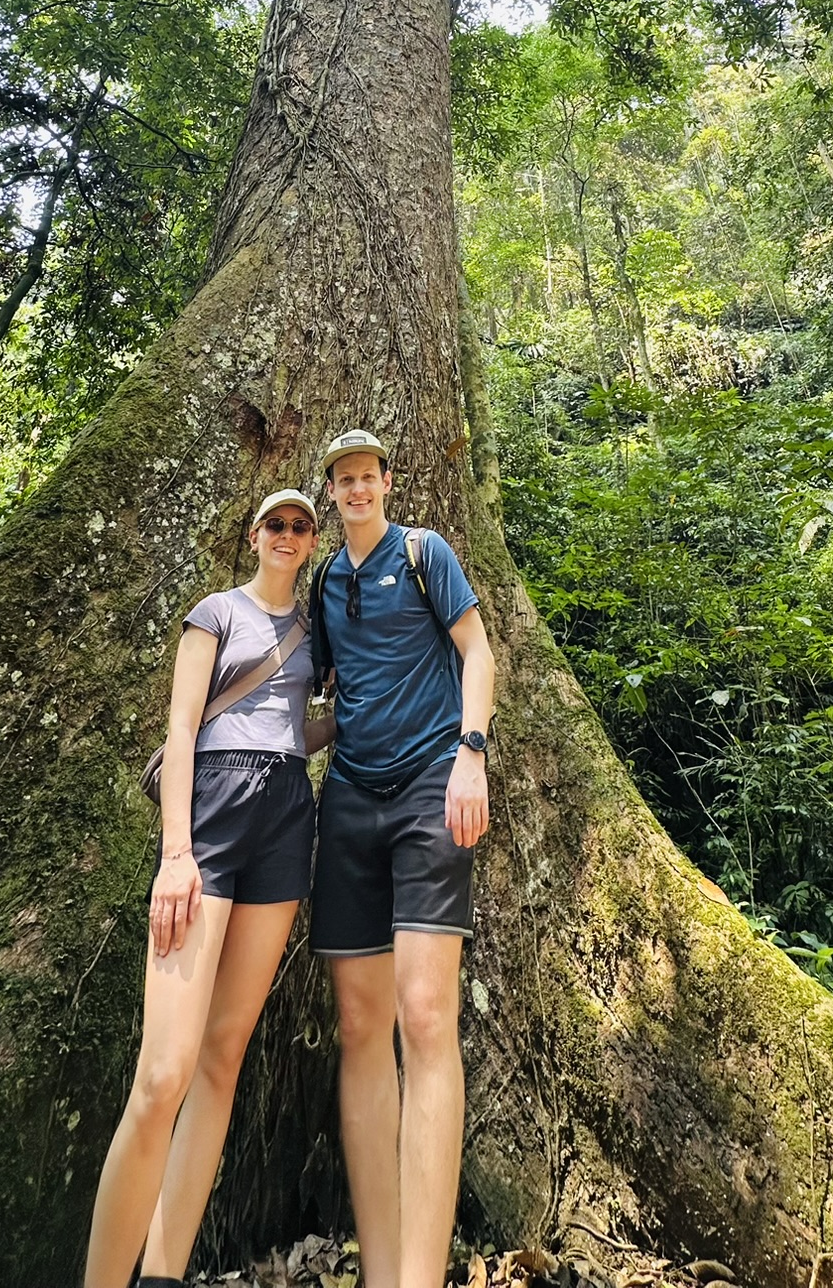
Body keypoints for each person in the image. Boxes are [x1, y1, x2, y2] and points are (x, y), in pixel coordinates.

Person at [85, 489, 331, 1288]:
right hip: (213, 811)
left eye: (300, 526)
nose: (287, 536)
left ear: (310, 539)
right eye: (276, 525)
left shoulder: (316, 629)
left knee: (223, 1056)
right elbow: (184, 726)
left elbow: (299, 725)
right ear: (254, 535)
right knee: (164, 1074)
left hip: (288, 812)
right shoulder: (215, 612)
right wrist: (176, 853)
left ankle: (163, 1272)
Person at [308, 429, 495, 1288]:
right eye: (342, 480)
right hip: (348, 799)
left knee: (425, 1020)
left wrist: (472, 752)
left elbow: (479, 652)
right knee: (358, 1029)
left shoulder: (424, 554)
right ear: (332, 492)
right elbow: (327, 704)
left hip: (428, 788)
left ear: (387, 481)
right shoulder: (326, 581)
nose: (356, 490)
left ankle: (421, 1275)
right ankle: (382, 1272)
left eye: (367, 477)